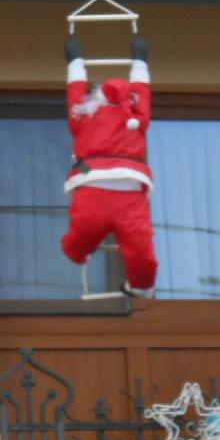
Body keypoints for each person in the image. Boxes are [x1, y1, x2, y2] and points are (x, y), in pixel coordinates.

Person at [60, 32, 157, 299]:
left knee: (80, 237)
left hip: (93, 185)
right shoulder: (136, 117)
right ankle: (141, 284)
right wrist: (140, 60)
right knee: (141, 247)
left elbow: (76, 91)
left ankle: (78, 253)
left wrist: (74, 60)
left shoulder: (83, 114)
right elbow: (142, 91)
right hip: (129, 190)